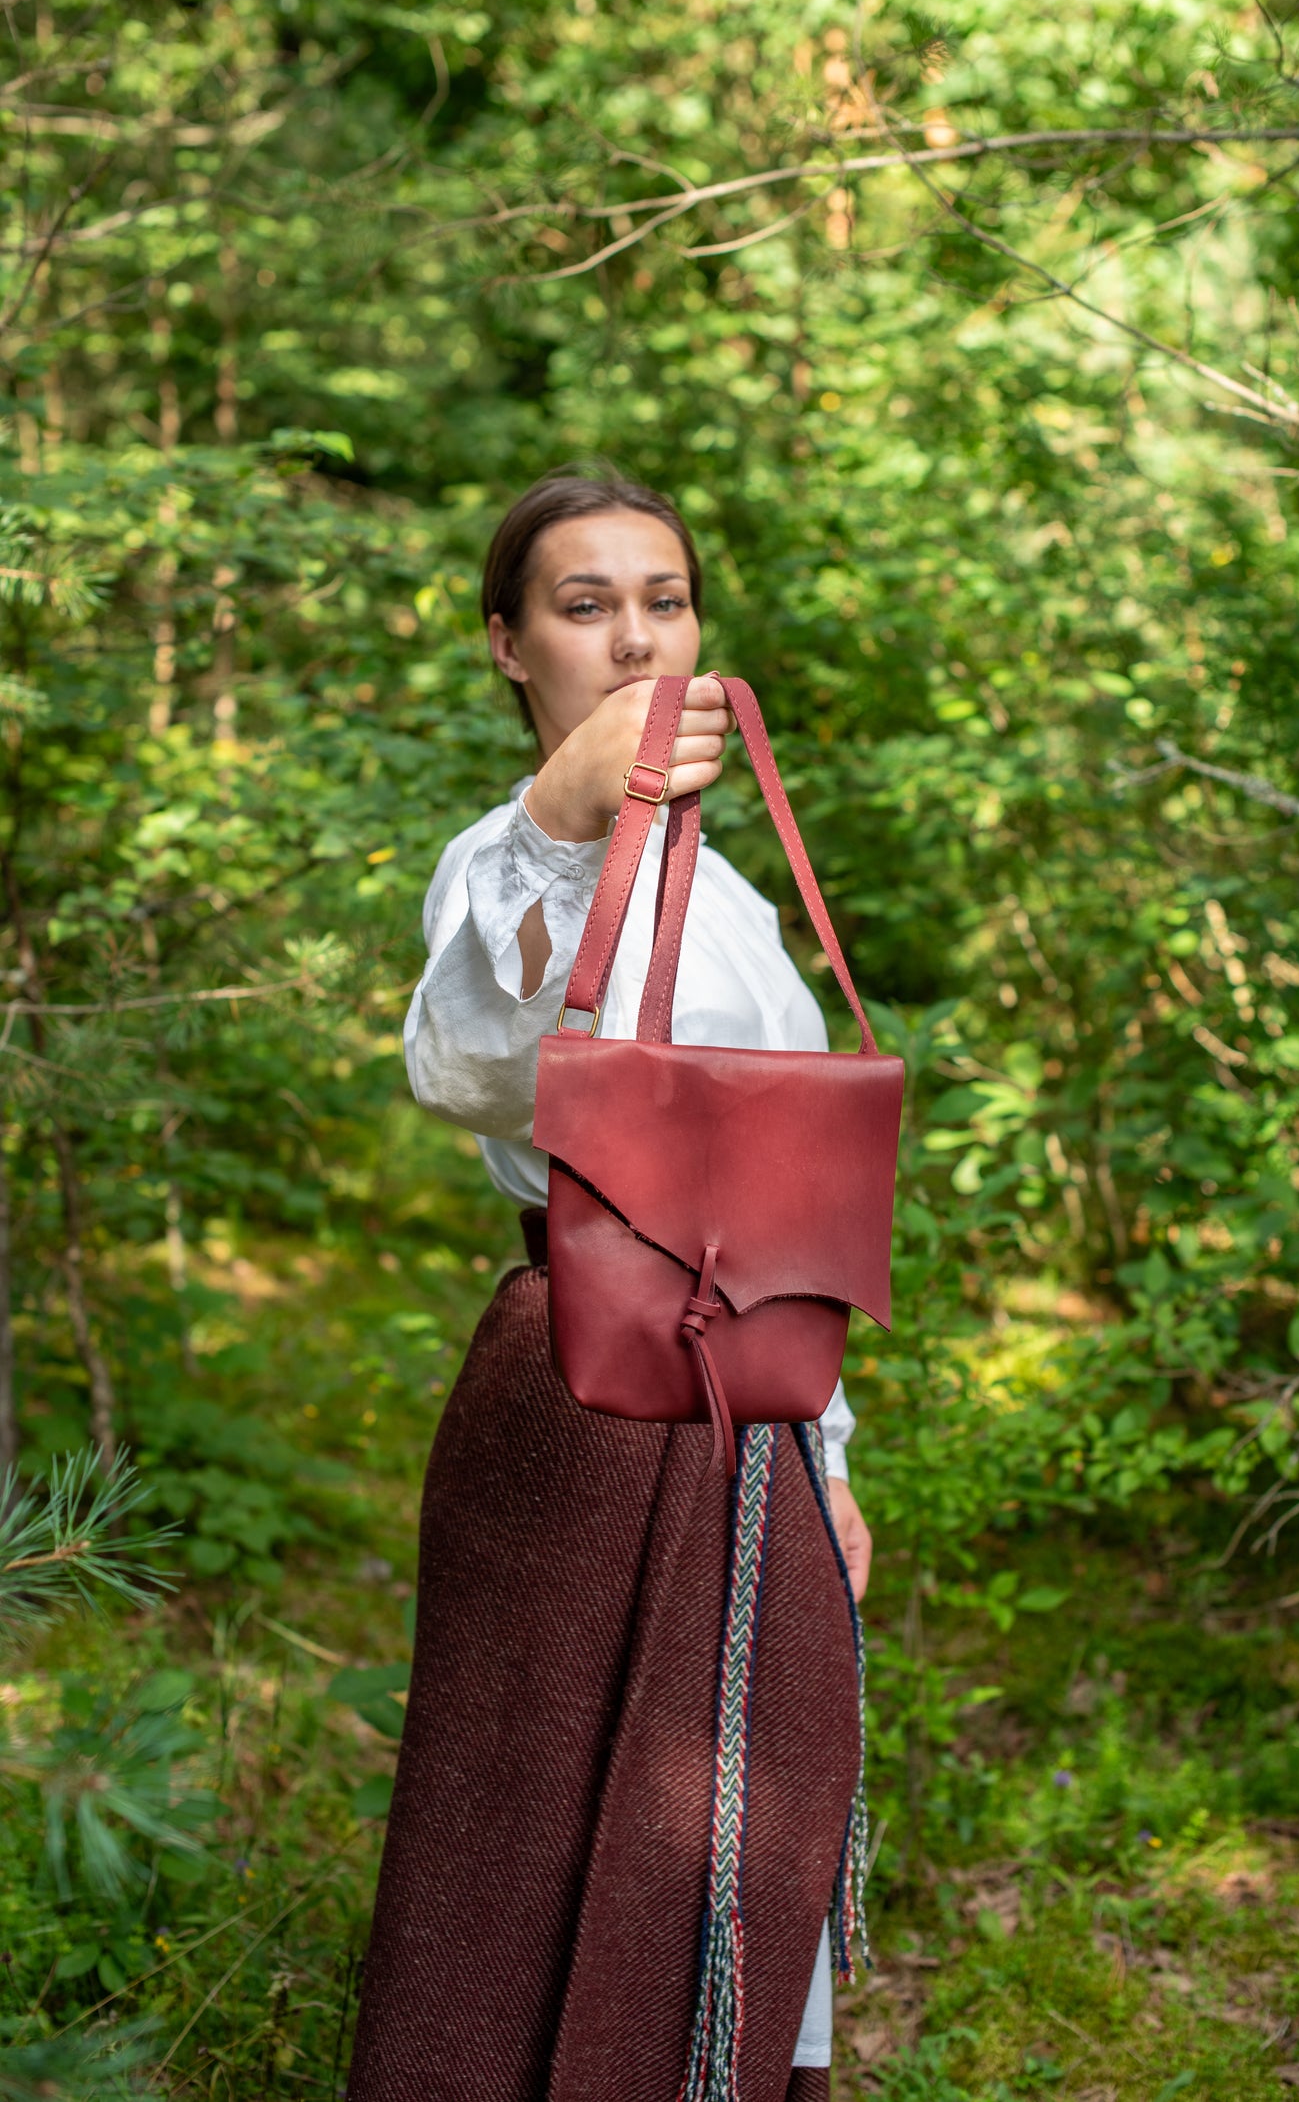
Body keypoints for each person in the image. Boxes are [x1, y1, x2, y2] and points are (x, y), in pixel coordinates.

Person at [346, 470, 873, 2102]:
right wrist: (564, 821)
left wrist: (832, 1456)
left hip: (756, 1411)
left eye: (664, 597)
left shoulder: (730, 894)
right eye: (584, 605)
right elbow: (465, 1066)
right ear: (510, 647)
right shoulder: (500, 864)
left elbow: (785, 1212)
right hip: (584, 1398)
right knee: (532, 1829)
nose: (635, 635)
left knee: (746, 1811)